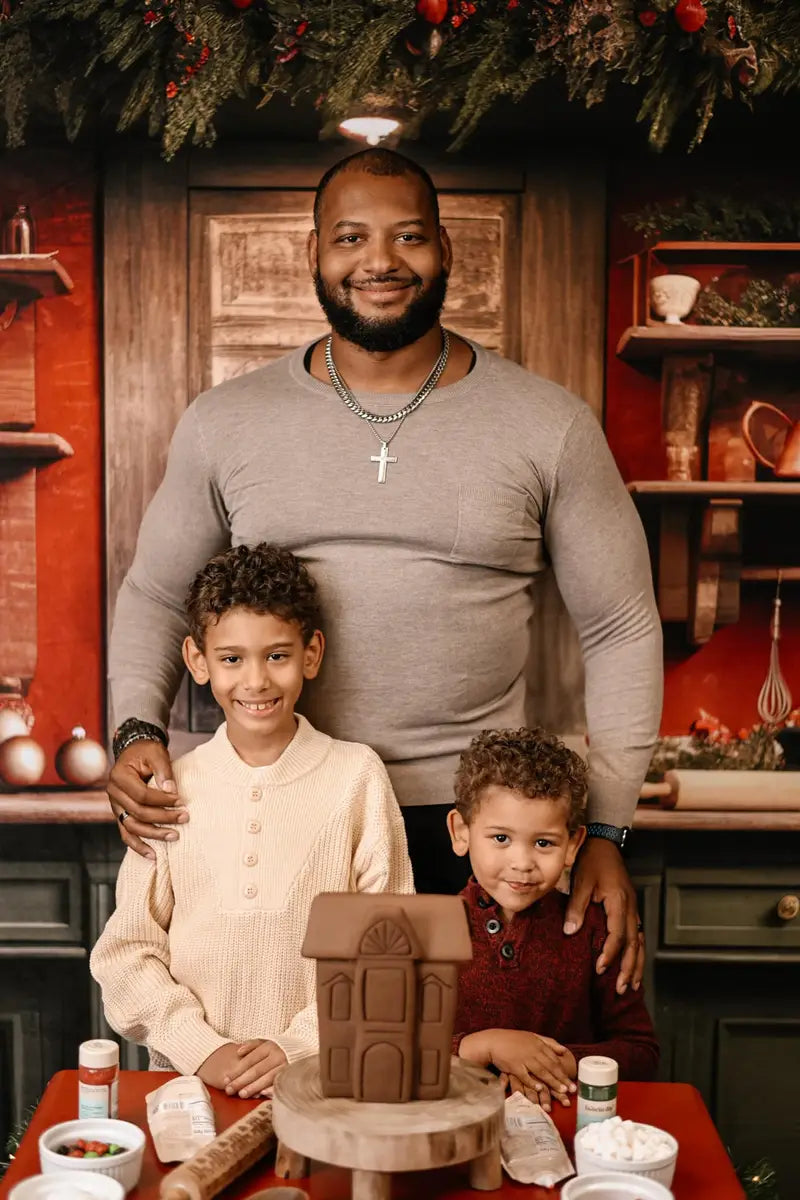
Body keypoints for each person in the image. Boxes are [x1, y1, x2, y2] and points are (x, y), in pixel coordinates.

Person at [106, 146, 662, 994]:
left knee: (461, 1084)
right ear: (314, 255)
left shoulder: (547, 424)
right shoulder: (227, 422)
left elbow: (620, 625)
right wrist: (136, 732)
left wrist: (610, 833)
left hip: (478, 831)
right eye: (351, 237)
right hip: (284, 806)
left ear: (446, 250)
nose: (380, 261)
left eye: (408, 237)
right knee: (281, 1067)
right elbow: (153, 592)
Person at [91, 543, 414, 1098]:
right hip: (188, 1087)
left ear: (312, 654)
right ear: (197, 661)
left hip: (324, 1082)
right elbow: (127, 953)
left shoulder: (356, 776)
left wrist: (300, 1045)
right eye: (232, 658)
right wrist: (202, 1049)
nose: (257, 681)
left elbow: (389, 947)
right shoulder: (169, 787)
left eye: (278, 656)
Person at [450, 728, 659, 1112]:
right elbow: (402, 1050)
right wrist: (484, 1047)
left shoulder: (596, 932)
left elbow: (642, 1053)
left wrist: (564, 1061)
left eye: (543, 843)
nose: (522, 862)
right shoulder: (428, 929)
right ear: (461, 832)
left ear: (573, 845)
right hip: (459, 1130)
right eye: (500, 838)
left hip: (571, 1128)